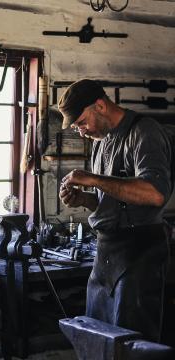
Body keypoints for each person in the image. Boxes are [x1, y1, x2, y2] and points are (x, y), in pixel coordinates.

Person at [58, 79, 172, 342]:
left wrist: (94, 179)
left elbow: (155, 193)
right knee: (97, 338)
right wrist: (83, 199)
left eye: (82, 123)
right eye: (76, 127)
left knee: (130, 344)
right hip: (107, 253)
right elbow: (110, 202)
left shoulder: (144, 132)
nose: (81, 132)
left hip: (139, 252)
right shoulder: (101, 142)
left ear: (100, 105)